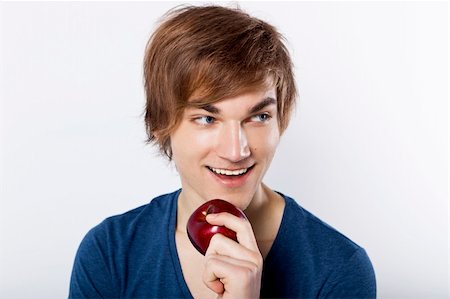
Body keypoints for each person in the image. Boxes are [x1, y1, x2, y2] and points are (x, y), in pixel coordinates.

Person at [69, 5, 376, 298]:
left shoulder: (338, 269)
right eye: (207, 119)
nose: (235, 151)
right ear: (161, 123)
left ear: (281, 119)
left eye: (258, 117)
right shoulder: (109, 253)